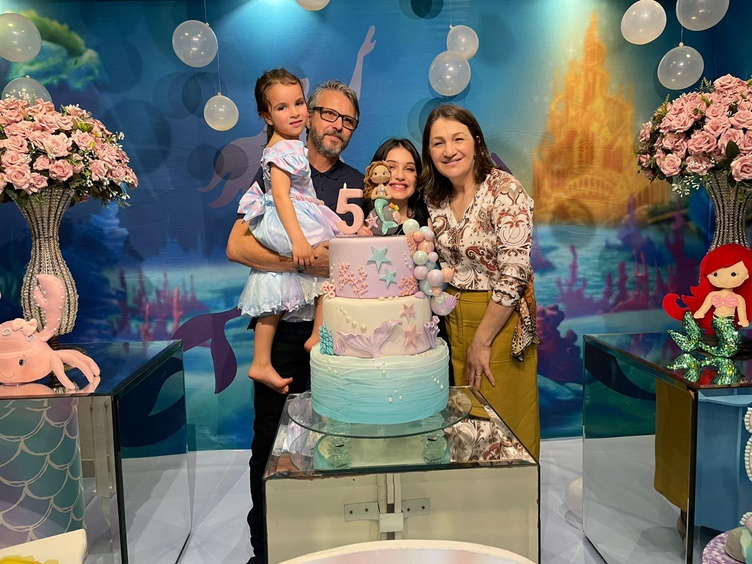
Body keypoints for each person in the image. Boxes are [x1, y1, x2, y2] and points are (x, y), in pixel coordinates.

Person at [226, 79, 363, 564]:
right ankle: (266, 549)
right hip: (283, 331)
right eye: (330, 114)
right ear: (309, 115)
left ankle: (326, 546)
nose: (337, 126)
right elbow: (237, 246)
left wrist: (332, 264)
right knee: (271, 441)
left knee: (333, 441)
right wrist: (302, 262)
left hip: (335, 334)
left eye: (349, 121)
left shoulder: (359, 183)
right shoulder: (277, 166)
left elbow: (363, 258)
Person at [420, 104, 541, 460]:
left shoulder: (504, 190)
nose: (449, 150)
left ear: (476, 141)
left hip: (496, 323)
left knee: (504, 427)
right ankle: (469, 494)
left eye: (458, 139)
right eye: (438, 143)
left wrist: (482, 341)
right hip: (452, 319)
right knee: (464, 426)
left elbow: (515, 272)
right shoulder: (435, 197)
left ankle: (513, 497)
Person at [237, 68, 341, 392]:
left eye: (299, 103)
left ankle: (262, 360)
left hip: (294, 214)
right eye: (282, 107)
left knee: (277, 292)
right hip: (290, 219)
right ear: (266, 116)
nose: (295, 112)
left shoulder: (286, 146)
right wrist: (298, 239)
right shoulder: (284, 149)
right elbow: (281, 196)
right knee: (335, 259)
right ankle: (316, 335)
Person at [363, 138, 429, 233]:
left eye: (409, 169)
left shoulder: (430, 220)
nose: (400, 176)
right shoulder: (362, 219)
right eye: (391, 167)